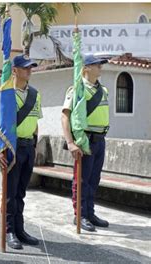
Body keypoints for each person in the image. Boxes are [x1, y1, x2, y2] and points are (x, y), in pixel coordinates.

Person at [0, 54, 42, 250]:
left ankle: (20, 229)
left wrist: (35, 146)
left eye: (31, 67)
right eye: (25, 67)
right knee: (9, 193)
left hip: (28, 148)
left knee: (21, 192)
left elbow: (35, 123)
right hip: (11, 148)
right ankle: (9, 230)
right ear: (15, 70)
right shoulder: (4, 93)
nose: (29, 71)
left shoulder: (35, 95)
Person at [61, 54, 110, 232]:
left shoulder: (103, 90)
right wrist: (71, 142)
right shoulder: (77, 89)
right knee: (82, 180)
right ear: (87, 68)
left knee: (94, 179)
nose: (101, 68)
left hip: (100, 139)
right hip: (85, 139)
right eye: (97, 65)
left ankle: (90, 212)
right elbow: (65, 117)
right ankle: (80, 215)